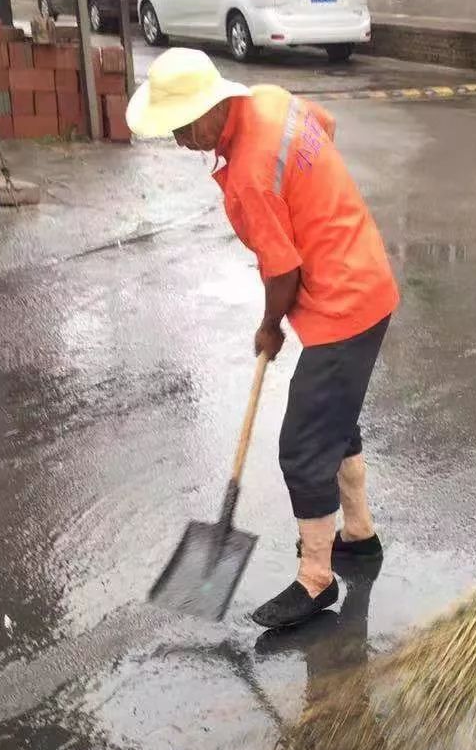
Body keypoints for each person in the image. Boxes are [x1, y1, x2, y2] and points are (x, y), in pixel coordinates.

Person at [126, 48, 398, 628]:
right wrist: (317, 201)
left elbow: (283, 271)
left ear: (207, 113)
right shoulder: (271, 100)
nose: (177, 140)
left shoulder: (249, 174)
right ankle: (359, 535)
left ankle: (317, 579)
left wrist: (270, 326)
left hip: (344, 305)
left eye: (179, 126)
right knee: (334, 421)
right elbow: (325, 129)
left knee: (302, 447)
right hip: (366, 276)